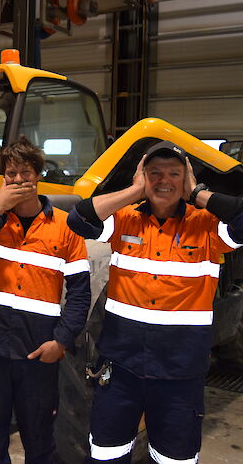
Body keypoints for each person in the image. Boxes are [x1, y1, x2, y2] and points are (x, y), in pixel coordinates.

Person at [66, 140, 243, 464]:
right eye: (155, 173)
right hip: (121, 369)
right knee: (106, 453)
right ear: (143, 176)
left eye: (174, 173)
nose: (164, 180)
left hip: (179, 374)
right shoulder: (124, 218)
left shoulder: (206, 224)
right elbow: (78, 220)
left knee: (174, 458)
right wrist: (135, 191)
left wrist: (196, 192)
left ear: (186, 178)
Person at [0, 136, 91, 464]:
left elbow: (79, 294)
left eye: (25, 172)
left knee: (39, 441)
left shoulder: (66, 228)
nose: (18, 180)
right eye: (10, 174)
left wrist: (61, 342)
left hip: (38, 352)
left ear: (38, 175)